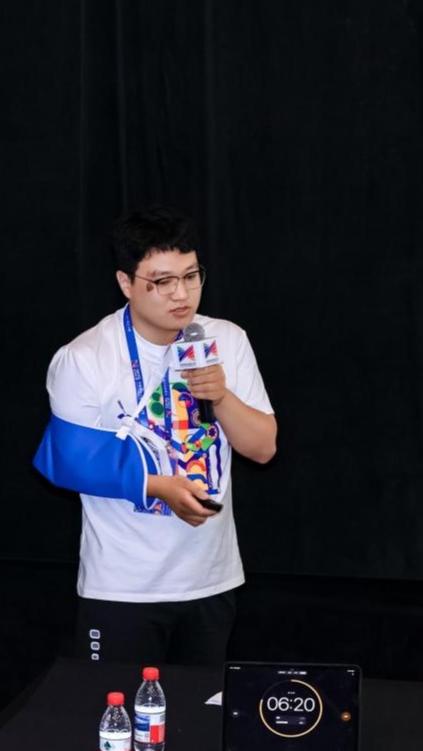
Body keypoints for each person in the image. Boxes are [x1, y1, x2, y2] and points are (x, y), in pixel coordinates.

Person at [33, 206, 276, 666]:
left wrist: (220, 395)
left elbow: (263, 448)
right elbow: (69, 461)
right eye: (162, 281)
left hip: (212, 579)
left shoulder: (227, 340)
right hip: (123, 587)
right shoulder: (84, 357)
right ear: (126, 283)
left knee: (200, 709)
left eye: (191, 276)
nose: (181, 294)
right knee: (115, 708)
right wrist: (156, 486)